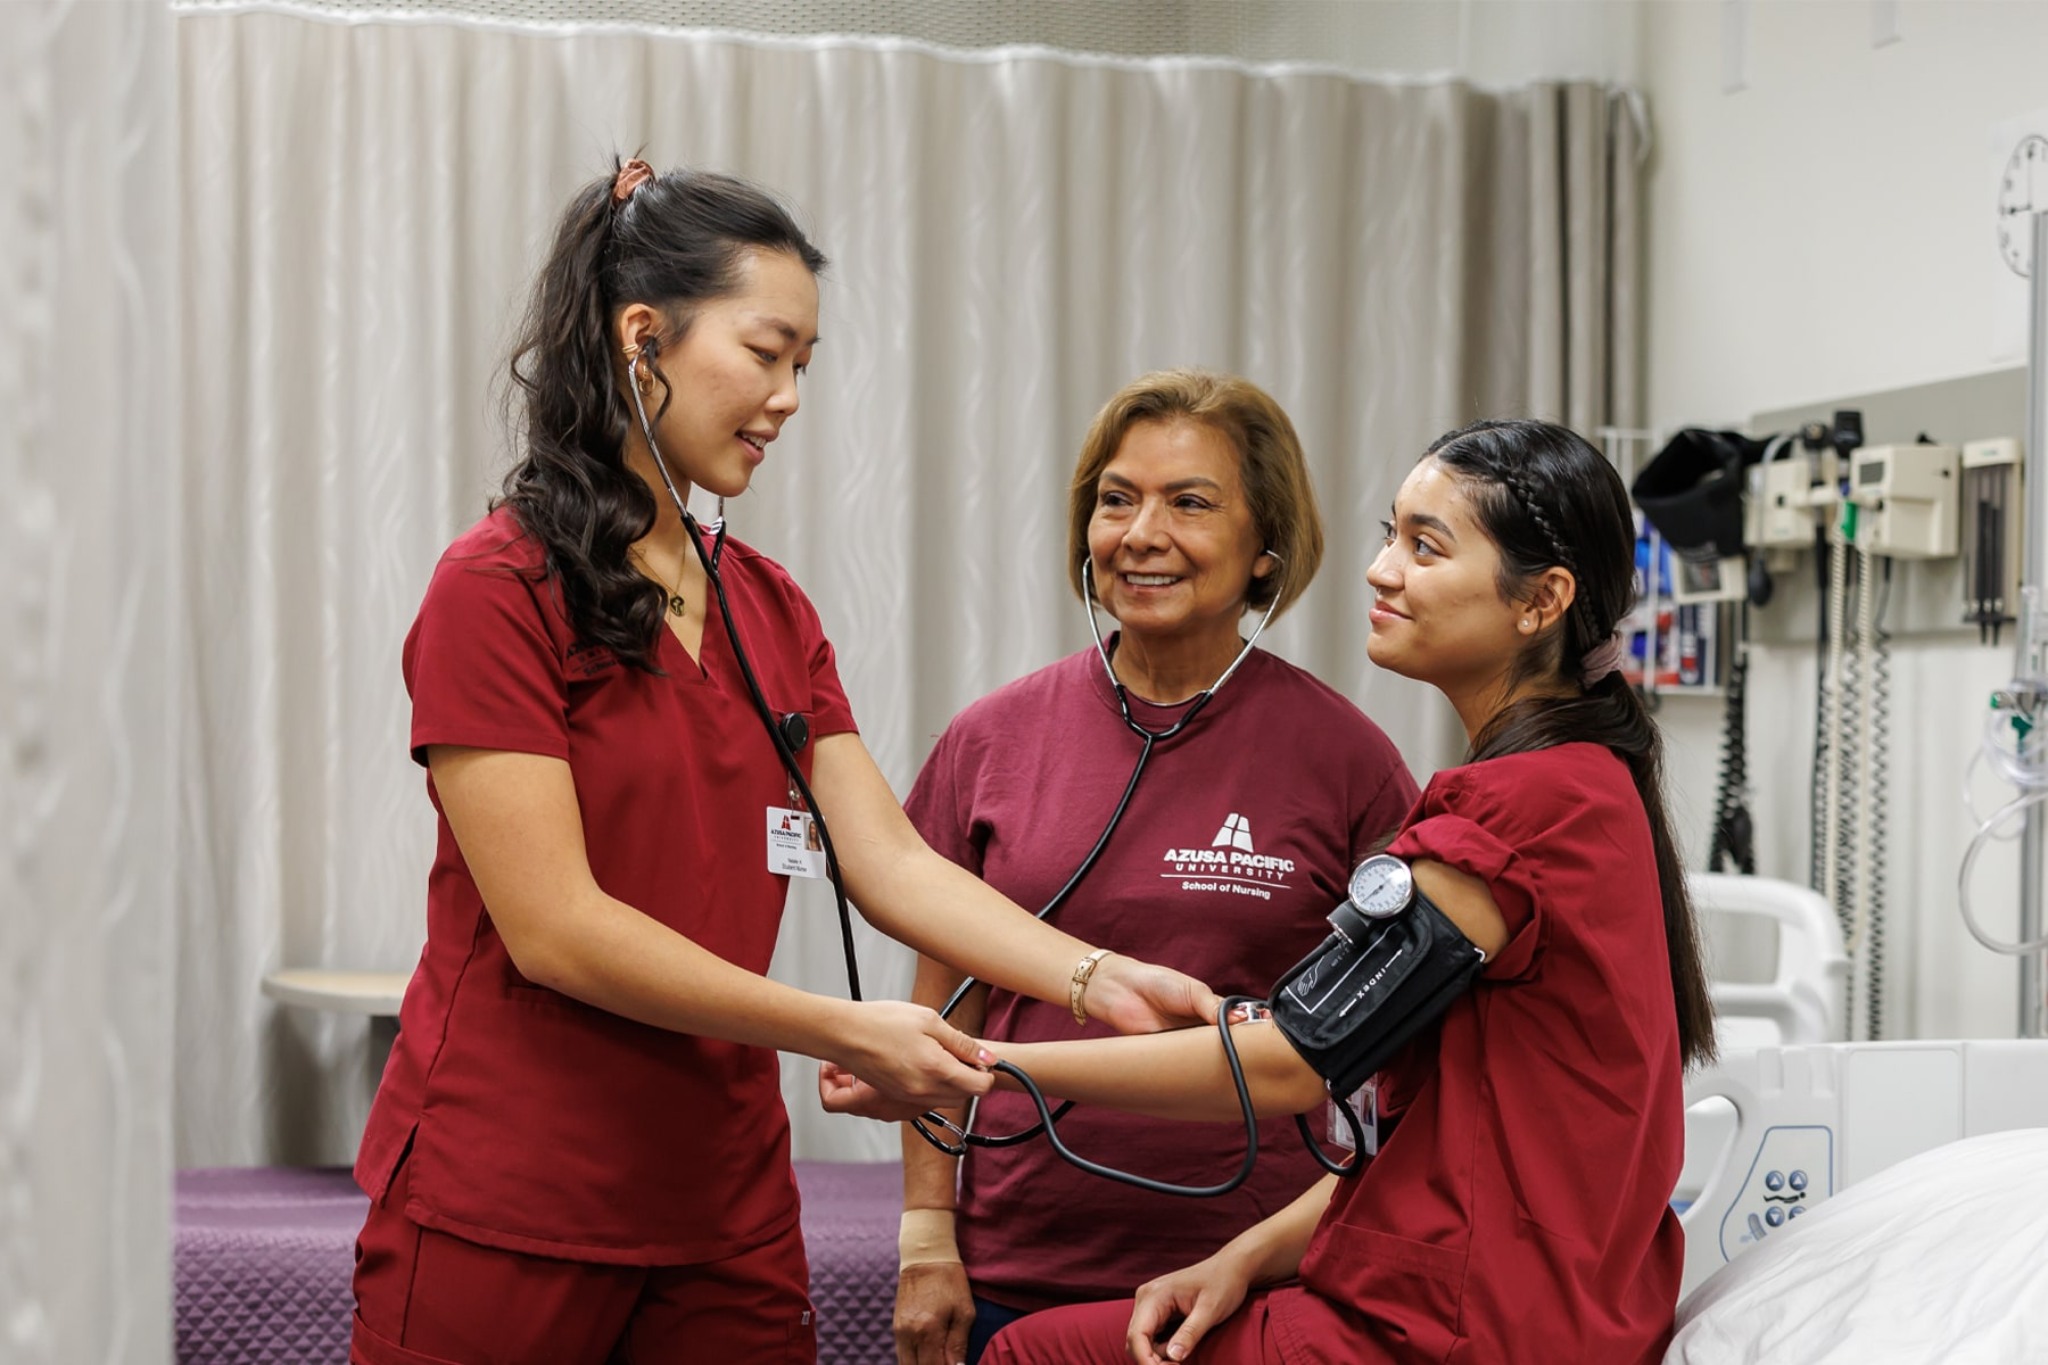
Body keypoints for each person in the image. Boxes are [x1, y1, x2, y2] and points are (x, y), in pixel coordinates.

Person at [346, 160, 1218, 1365]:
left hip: (721, 1201)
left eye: (804, 364)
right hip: (512, 1189)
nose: (789, 397)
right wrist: (841, 1028)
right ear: (641, 338)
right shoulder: (497, 590)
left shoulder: (768, 607)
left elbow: (886, 860)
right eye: (766, 354)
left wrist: (1096, 980)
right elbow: (554, 930)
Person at [829, 418, 1717, 1364]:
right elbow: (1423, 1121)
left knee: (1030, 1356)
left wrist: (980, 1065)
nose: (1381, 571)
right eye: (1390, 535)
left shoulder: (1501, 803)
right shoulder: (1571, 784)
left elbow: (1295, 1058)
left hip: (1465, 1319)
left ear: (1541, 601)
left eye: (1425, 547)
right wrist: (1244, 1258)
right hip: (1482, 1297)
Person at [892, 370, 1419, 1365]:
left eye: (1189, 502)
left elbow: (1393, 1064)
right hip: (1016, 1269)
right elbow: (943, 1009)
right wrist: (926, 1238)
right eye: (1116, 499)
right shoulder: (990, 740)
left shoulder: (1347, 762)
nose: (1141, 533)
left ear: (1265, 547)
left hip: (1244, 1286)